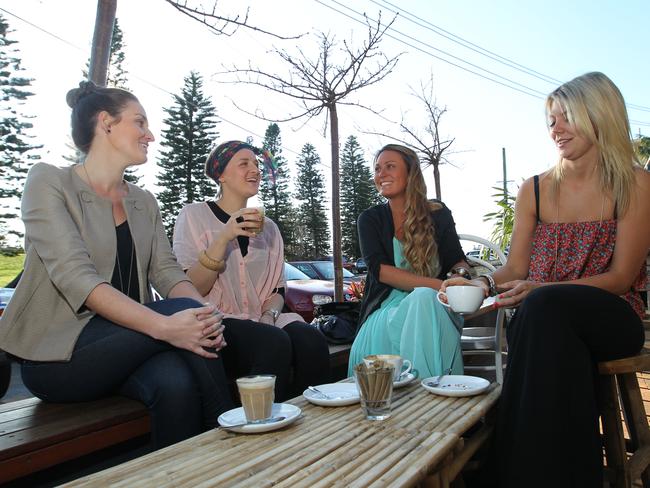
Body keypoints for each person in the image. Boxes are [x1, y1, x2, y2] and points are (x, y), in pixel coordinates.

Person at [0, 81, 235, 450]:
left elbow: (168, 273)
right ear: (105, 123)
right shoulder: (49, 181)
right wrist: (166, 325)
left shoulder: (143, 201)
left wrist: (206, 315)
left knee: (176, 383)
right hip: (58, 358)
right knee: (188, 322)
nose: (151, 135)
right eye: (140, 123)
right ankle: (234, 448)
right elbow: (78, 278)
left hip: (130, 344)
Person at [442, 72, 650, 487]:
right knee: (546, 325)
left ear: (599, 114)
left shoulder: (636, 182)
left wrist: (546, 291)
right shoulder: (534, 190)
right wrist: (480, 284)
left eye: (565, 117)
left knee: (543, 310)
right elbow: (516, 269)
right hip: (545, 321)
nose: (555, 129)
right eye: (550, 120)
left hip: (612, 314)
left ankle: (514, 472)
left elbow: (621, 276)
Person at [172, 140, 330, 400]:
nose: (255, 170)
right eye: (244, 163)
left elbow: (277, 289)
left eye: (256, 164)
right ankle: (263, 427)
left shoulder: (269, 228)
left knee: (311, 340)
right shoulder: (194, 215)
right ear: (220, 175)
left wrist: (269, 316)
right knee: (272, 342)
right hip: (218, 324)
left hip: (262, 319)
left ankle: (308, 423)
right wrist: (223, 238)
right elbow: (192, 288)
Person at [347, 143, 470, 379]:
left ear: (410, 172)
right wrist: (440, 286)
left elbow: (457, 260)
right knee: (425, 298)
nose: (381, 174)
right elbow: (382, 272)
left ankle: (430, 400)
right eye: (377, 168)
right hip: (385, 314)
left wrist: (460, 277)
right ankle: (430, 397)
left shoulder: (438, 213)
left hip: (433, 307)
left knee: (427, 303)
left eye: (390, 166)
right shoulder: (370, 219)